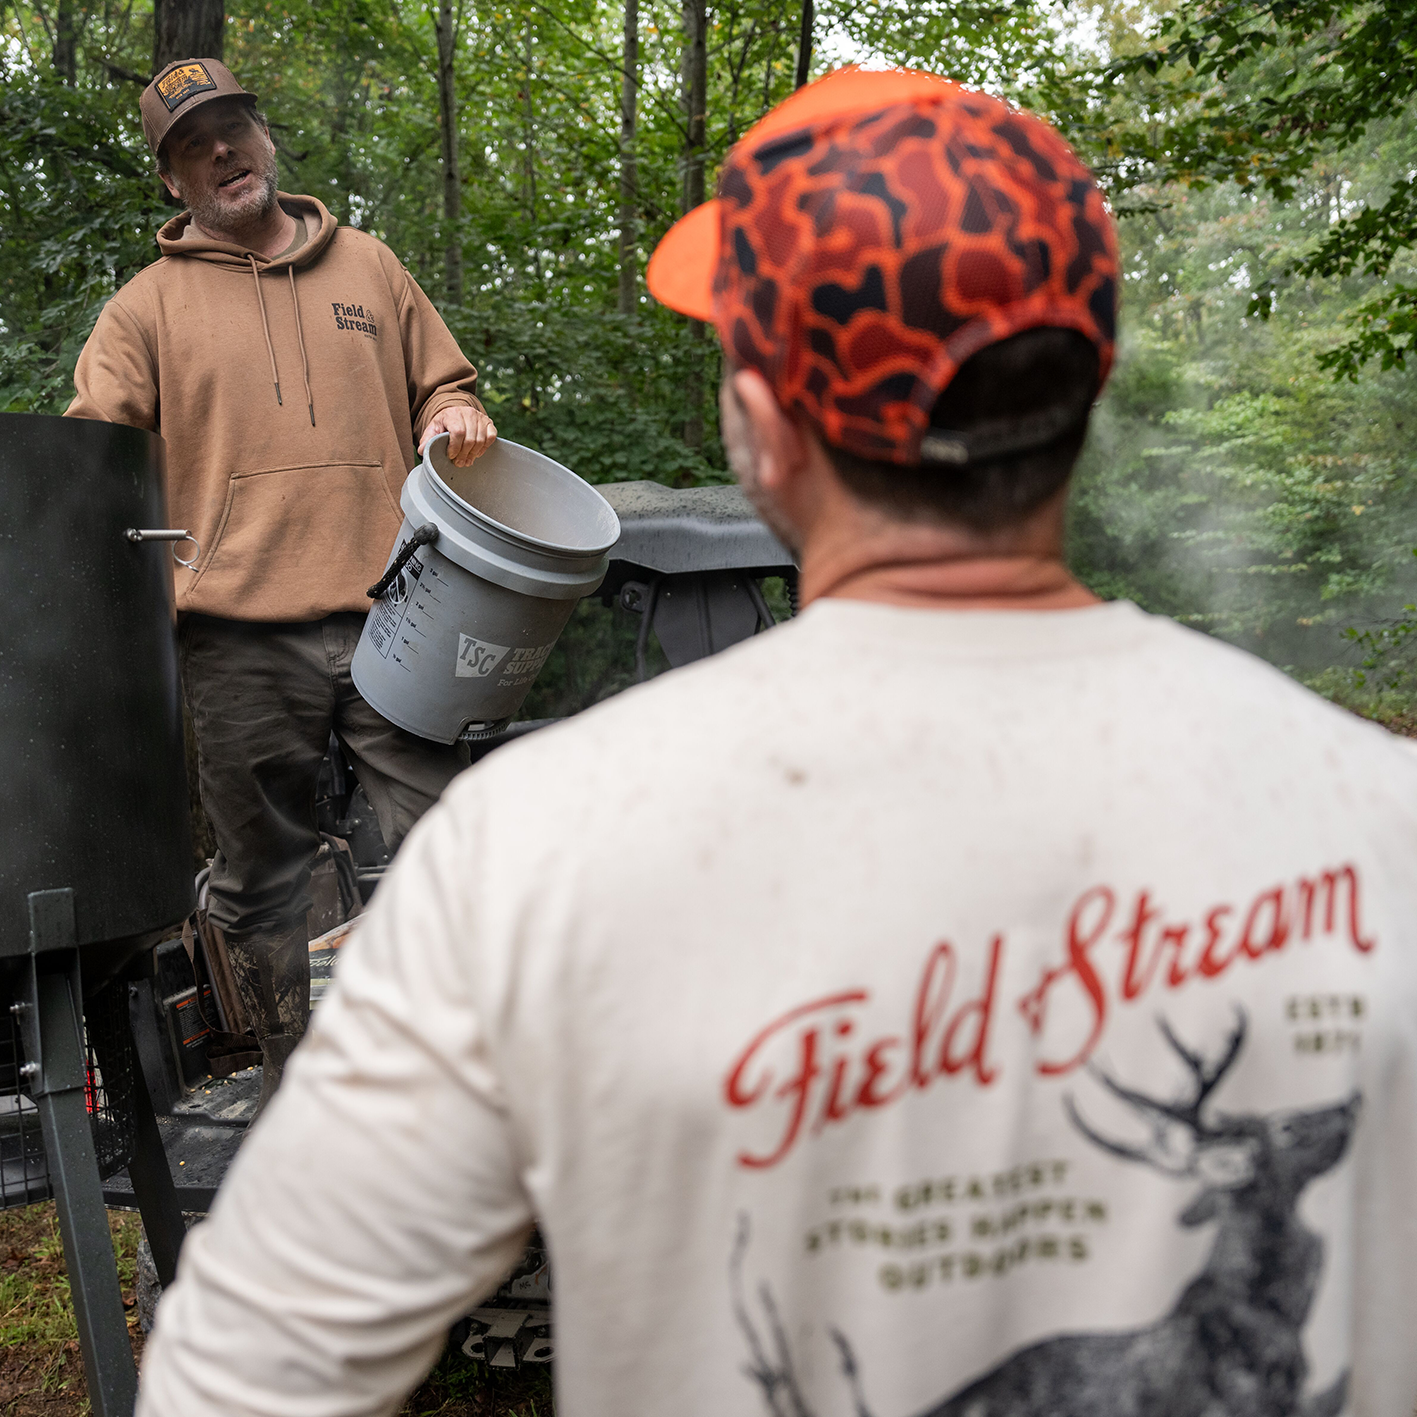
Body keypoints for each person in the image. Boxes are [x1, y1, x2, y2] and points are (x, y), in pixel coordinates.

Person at [137, 66, 1417, 1417]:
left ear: (756, 423)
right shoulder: (1383, 815)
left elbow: (239, 1389)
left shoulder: (529, 862)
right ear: (1092, 378)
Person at [66, 58, 498, 1107]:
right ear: (172, 179)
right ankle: (295, 1090)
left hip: (397, 608)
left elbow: (443, 379)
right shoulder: (144, 312)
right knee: (262, 881)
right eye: (190, 144)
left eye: (231, 127)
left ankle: (460, 1089)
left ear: (263, 136)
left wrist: (450, 413)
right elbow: (90, 461)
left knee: (446, 845)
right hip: (231, 635)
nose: (221, 152)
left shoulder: (372, 268)